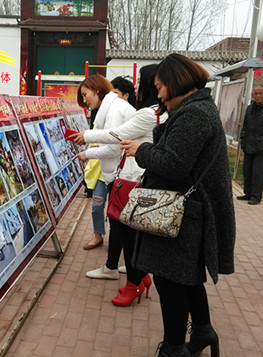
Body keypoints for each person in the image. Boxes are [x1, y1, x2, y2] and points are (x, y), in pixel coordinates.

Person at [121, 54, 235, 356]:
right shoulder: (195, 109)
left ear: (174, 83)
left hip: (183, 214)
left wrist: (141, 150)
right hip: (189, 210)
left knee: (170, 281)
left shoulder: (194, 115)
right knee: (187, 277)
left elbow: (173, 163)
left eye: (159, 87)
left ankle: (173, 348)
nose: (158, 94)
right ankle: (203, 331)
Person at [71, 64, 165, 307]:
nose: (135, 87)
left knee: (127, 231)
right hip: (129, 177)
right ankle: (136, 276)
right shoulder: (139, 110)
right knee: (123, 229)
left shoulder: (139, 112)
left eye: (85, 94)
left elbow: (117, 137)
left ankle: (135, 279)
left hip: (131, 179)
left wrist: (86, 139)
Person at [75, 74, 136, 250]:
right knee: (114, 216)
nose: (85, 100)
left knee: (120, 220)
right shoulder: (110, 109)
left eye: (85, 95)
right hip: (116, 171)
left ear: (97, 90)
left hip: (124, 173)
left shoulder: (114, 110)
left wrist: (87, 153)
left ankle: (126, 269)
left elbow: (113, 147)